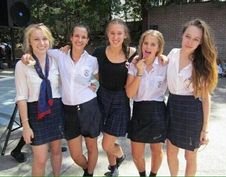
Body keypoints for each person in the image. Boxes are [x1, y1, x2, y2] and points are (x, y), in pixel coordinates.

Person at [22, 23, 101, 176]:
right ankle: (86, 167)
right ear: (71, 38)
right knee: (76, 155)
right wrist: (27, 54)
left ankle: (89, 173)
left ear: (87, 40)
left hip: (89, 108)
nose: (80, 39)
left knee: (92, 147)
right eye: (76, 36)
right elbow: (40, 48)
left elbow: (98, 78)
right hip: (68, 110)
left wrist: (96, 84)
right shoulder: (59, 55)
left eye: (83, 37)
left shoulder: (92, 60)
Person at [166, 19, 218, 176]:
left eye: (196, 39)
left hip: (192, 111)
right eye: (188, 36)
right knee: (170, 152)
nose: (190, 42)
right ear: (182, 35)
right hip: (172, 106)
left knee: (190, 156)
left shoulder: (200, 64)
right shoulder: (172, 54)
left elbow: (206, 98)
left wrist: (205, 129)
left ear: (201, 42)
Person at [15, 23, 64, 176]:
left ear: (49, 40)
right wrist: (26, 126)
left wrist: (88, 85)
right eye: (36, 39)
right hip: (36, 113)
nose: (41, 43)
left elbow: (71, 78)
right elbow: (21, 97)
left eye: (44, 39)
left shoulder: (56, 60)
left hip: (56, 110)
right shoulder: (22, 65)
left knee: (56, 151)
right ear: (29, 42)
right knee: (40, 159)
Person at [92, 18, 136, 176]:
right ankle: (113, 168)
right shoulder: (98, 52)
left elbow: (153, 57)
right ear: (107, 34)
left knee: (106, 144)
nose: (115, 36)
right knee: (107, 136)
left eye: (119, 33)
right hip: (102, 98)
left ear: (125, 35)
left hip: (120, 102)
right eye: (112, 33)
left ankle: (121, 156)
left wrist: (163, 58)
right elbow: (84, 64)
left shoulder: (132, 54)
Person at [125, 30, 167, 177]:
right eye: (146, 43)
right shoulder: (134, 64)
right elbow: (129, 94)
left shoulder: (164, 64)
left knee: (157, 151)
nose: (148, 47)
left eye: (153, 44)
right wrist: (139, 72)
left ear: (158, 47)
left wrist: (165, 58)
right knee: (136, 154)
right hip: (139, 110)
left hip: (157, 111)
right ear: (141, 44)